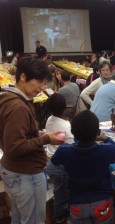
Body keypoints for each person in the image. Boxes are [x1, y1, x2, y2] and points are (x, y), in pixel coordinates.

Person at [0, 57, 64, 223]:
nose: (42, 88)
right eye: (39, 82)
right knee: (33, 220)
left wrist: (37, 134)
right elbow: (14, 146)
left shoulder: (11, 97)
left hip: (16, 171)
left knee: (21, 217)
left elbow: (16, 135)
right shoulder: (18, 107)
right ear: (22, 77)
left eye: (45, 84)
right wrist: (46, 139)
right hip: (25, 174)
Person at [50, 110, 115, 223]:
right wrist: (106, 139)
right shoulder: (106, 150)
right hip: (102, 204)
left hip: (77, 205)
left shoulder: (64, 151)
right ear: (97, 132)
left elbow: (54, 161)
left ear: (72, 132)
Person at [45, 93, 74, 224]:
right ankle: (60, 218)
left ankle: (60, 214)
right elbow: (72, 146)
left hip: (51, 159)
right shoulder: (66, 127)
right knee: (62, 194)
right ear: (64, 108)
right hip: (61, 166)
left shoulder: (50, 119)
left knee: (60, 191)